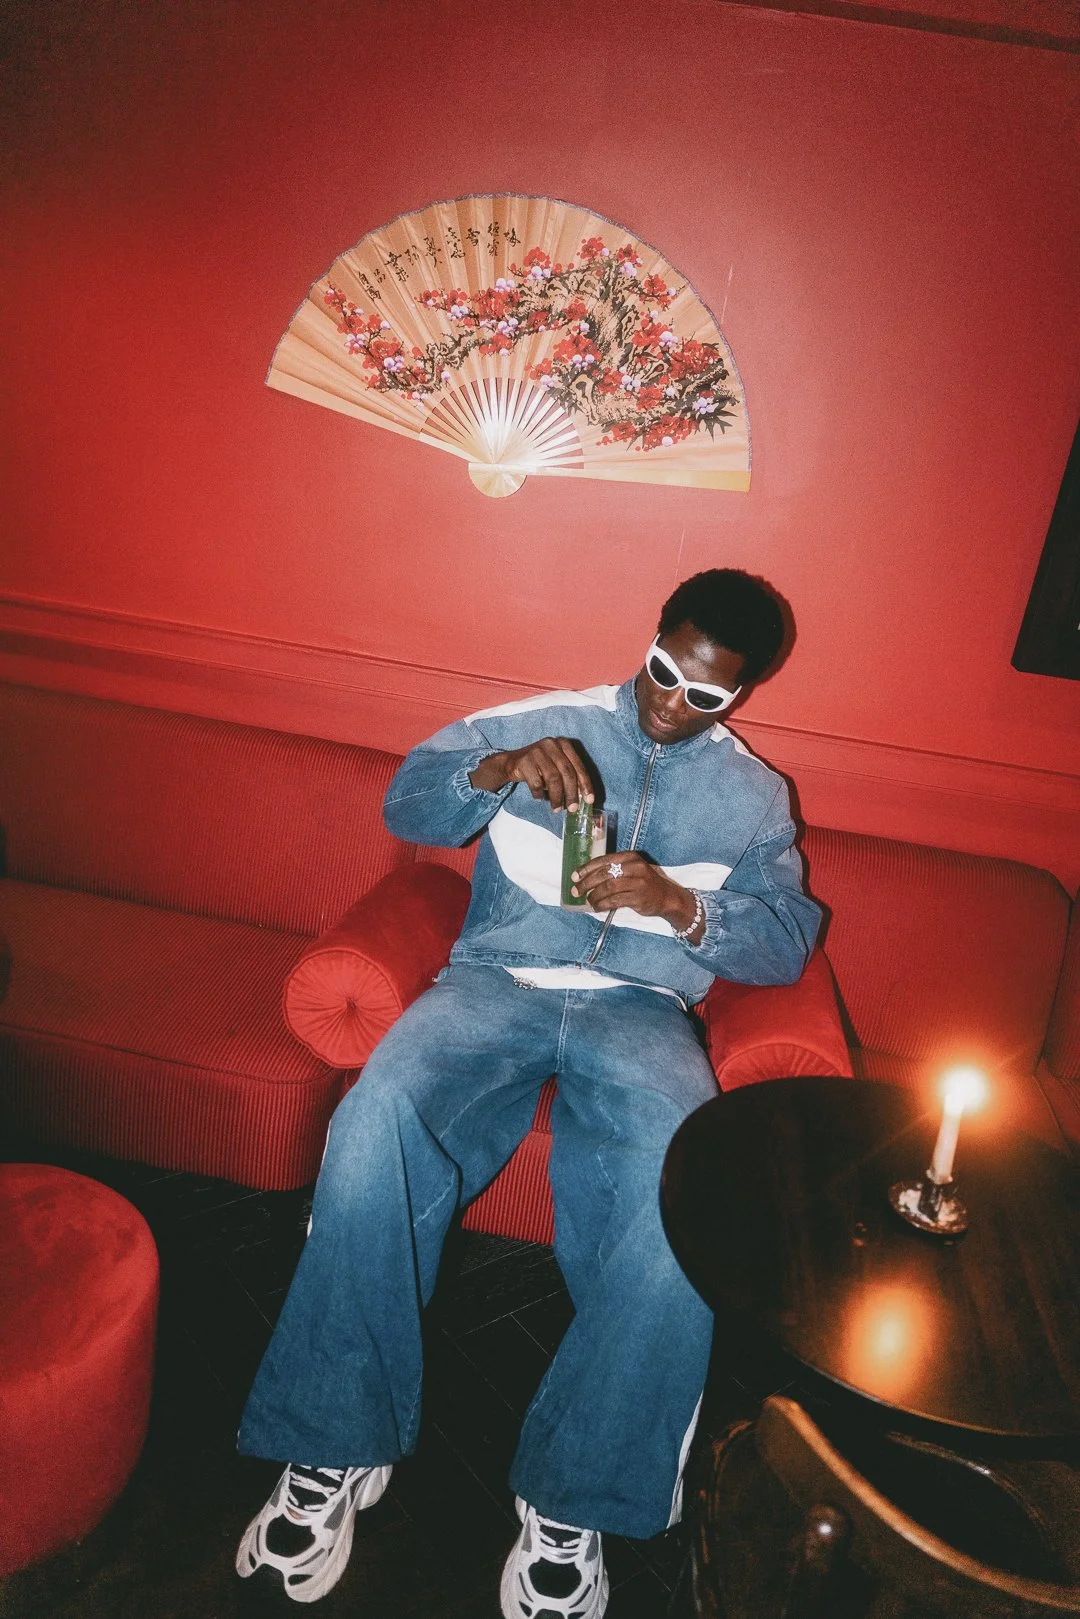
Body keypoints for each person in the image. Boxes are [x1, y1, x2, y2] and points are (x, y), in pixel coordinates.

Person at [235, 568, 821, 1615]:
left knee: (679, 1197)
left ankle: (575, 1496)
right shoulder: (543, 719)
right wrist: (496, 766)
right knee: (374, 1121)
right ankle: (332, 1441)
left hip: (642, 1009)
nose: (668, 702)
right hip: (492, 985)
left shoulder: (755, 798)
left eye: (705, 694)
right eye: (663, 670)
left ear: (742, 693)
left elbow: (784, 942)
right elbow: (408, 801)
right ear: (652, 636)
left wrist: (681, 905)